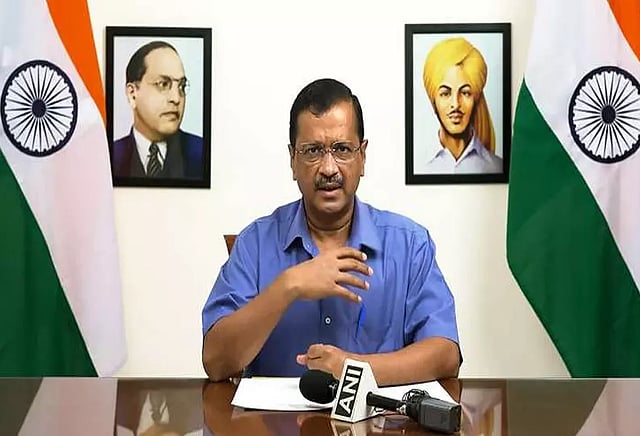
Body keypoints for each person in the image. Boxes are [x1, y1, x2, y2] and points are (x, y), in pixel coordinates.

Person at [202, 78, 460, 386]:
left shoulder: (409, 244)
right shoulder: (255, 244)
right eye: (312, 151)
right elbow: (215, 362)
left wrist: (353, 369)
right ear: (293, 160)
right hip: (272, 417)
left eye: (342, 149)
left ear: (362, 157)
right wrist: (288, 285)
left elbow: (445, 354)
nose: (328, 168)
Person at [111, 41, 204, 179]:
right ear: (132, 94)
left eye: (182, 86)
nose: (176, 98)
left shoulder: (202, 154)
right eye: (163, 84)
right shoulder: (110, 156)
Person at [421, 37, 502, 174]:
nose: (455, 104)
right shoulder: (421, 166)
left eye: (465, 93)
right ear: (433, 100)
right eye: (445, 94)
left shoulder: (496, 166)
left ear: (476, 98)